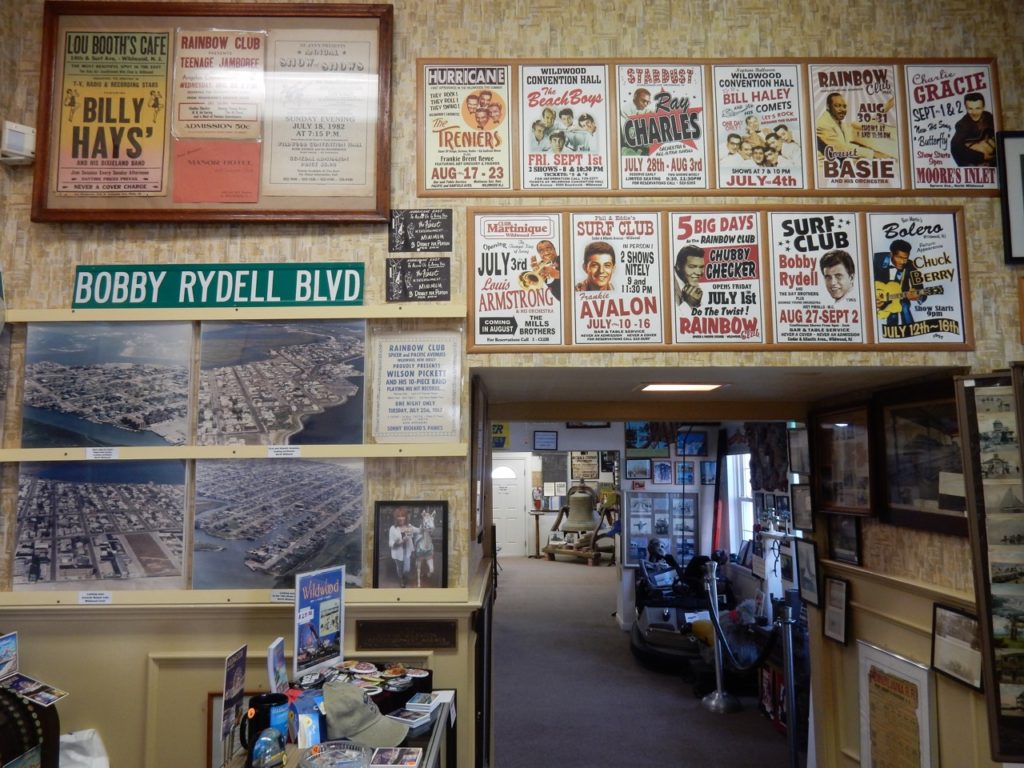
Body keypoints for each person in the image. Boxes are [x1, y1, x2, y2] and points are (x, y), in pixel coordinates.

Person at [874, 239, 925, 326]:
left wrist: (918, 296)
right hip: (879, 299)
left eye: (905, 258)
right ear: (891, 254)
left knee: (904, 307)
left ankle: (910, 332)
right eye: (899, 257)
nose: (902, 262)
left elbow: (919, 288)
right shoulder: (876, 259)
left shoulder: (910, 266)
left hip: (901, 298)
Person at [816, 92, 875, 160]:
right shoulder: (823, 124)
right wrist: (869, 153)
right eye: (837, 106)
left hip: (841, 162)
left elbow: (847, 142)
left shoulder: (839, 123)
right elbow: (840, 148)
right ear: (828, 106)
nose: (843, 110)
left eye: (844, 106)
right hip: (827, 166)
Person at [950, 91, 996, 166]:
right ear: (966, 107)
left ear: (983, 107)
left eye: (978, 108)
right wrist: (981, 156)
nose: (974, 113)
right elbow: (955, 147)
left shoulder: (988, 117)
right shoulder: (963, 124)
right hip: (973, 164)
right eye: (970, 109)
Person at [388, 507, 416, 588]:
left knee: (407, 568)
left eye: (403, 516)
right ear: (396, 518)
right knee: (399, 568)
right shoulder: (393, 528)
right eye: (398, 516)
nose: (401, 518)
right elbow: (390, 543)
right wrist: (398, 542)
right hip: (397, 553)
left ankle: (404, 576)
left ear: (405, 517)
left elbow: (414, 533)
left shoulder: (408, 526)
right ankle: (401, 580)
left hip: (407, 551)